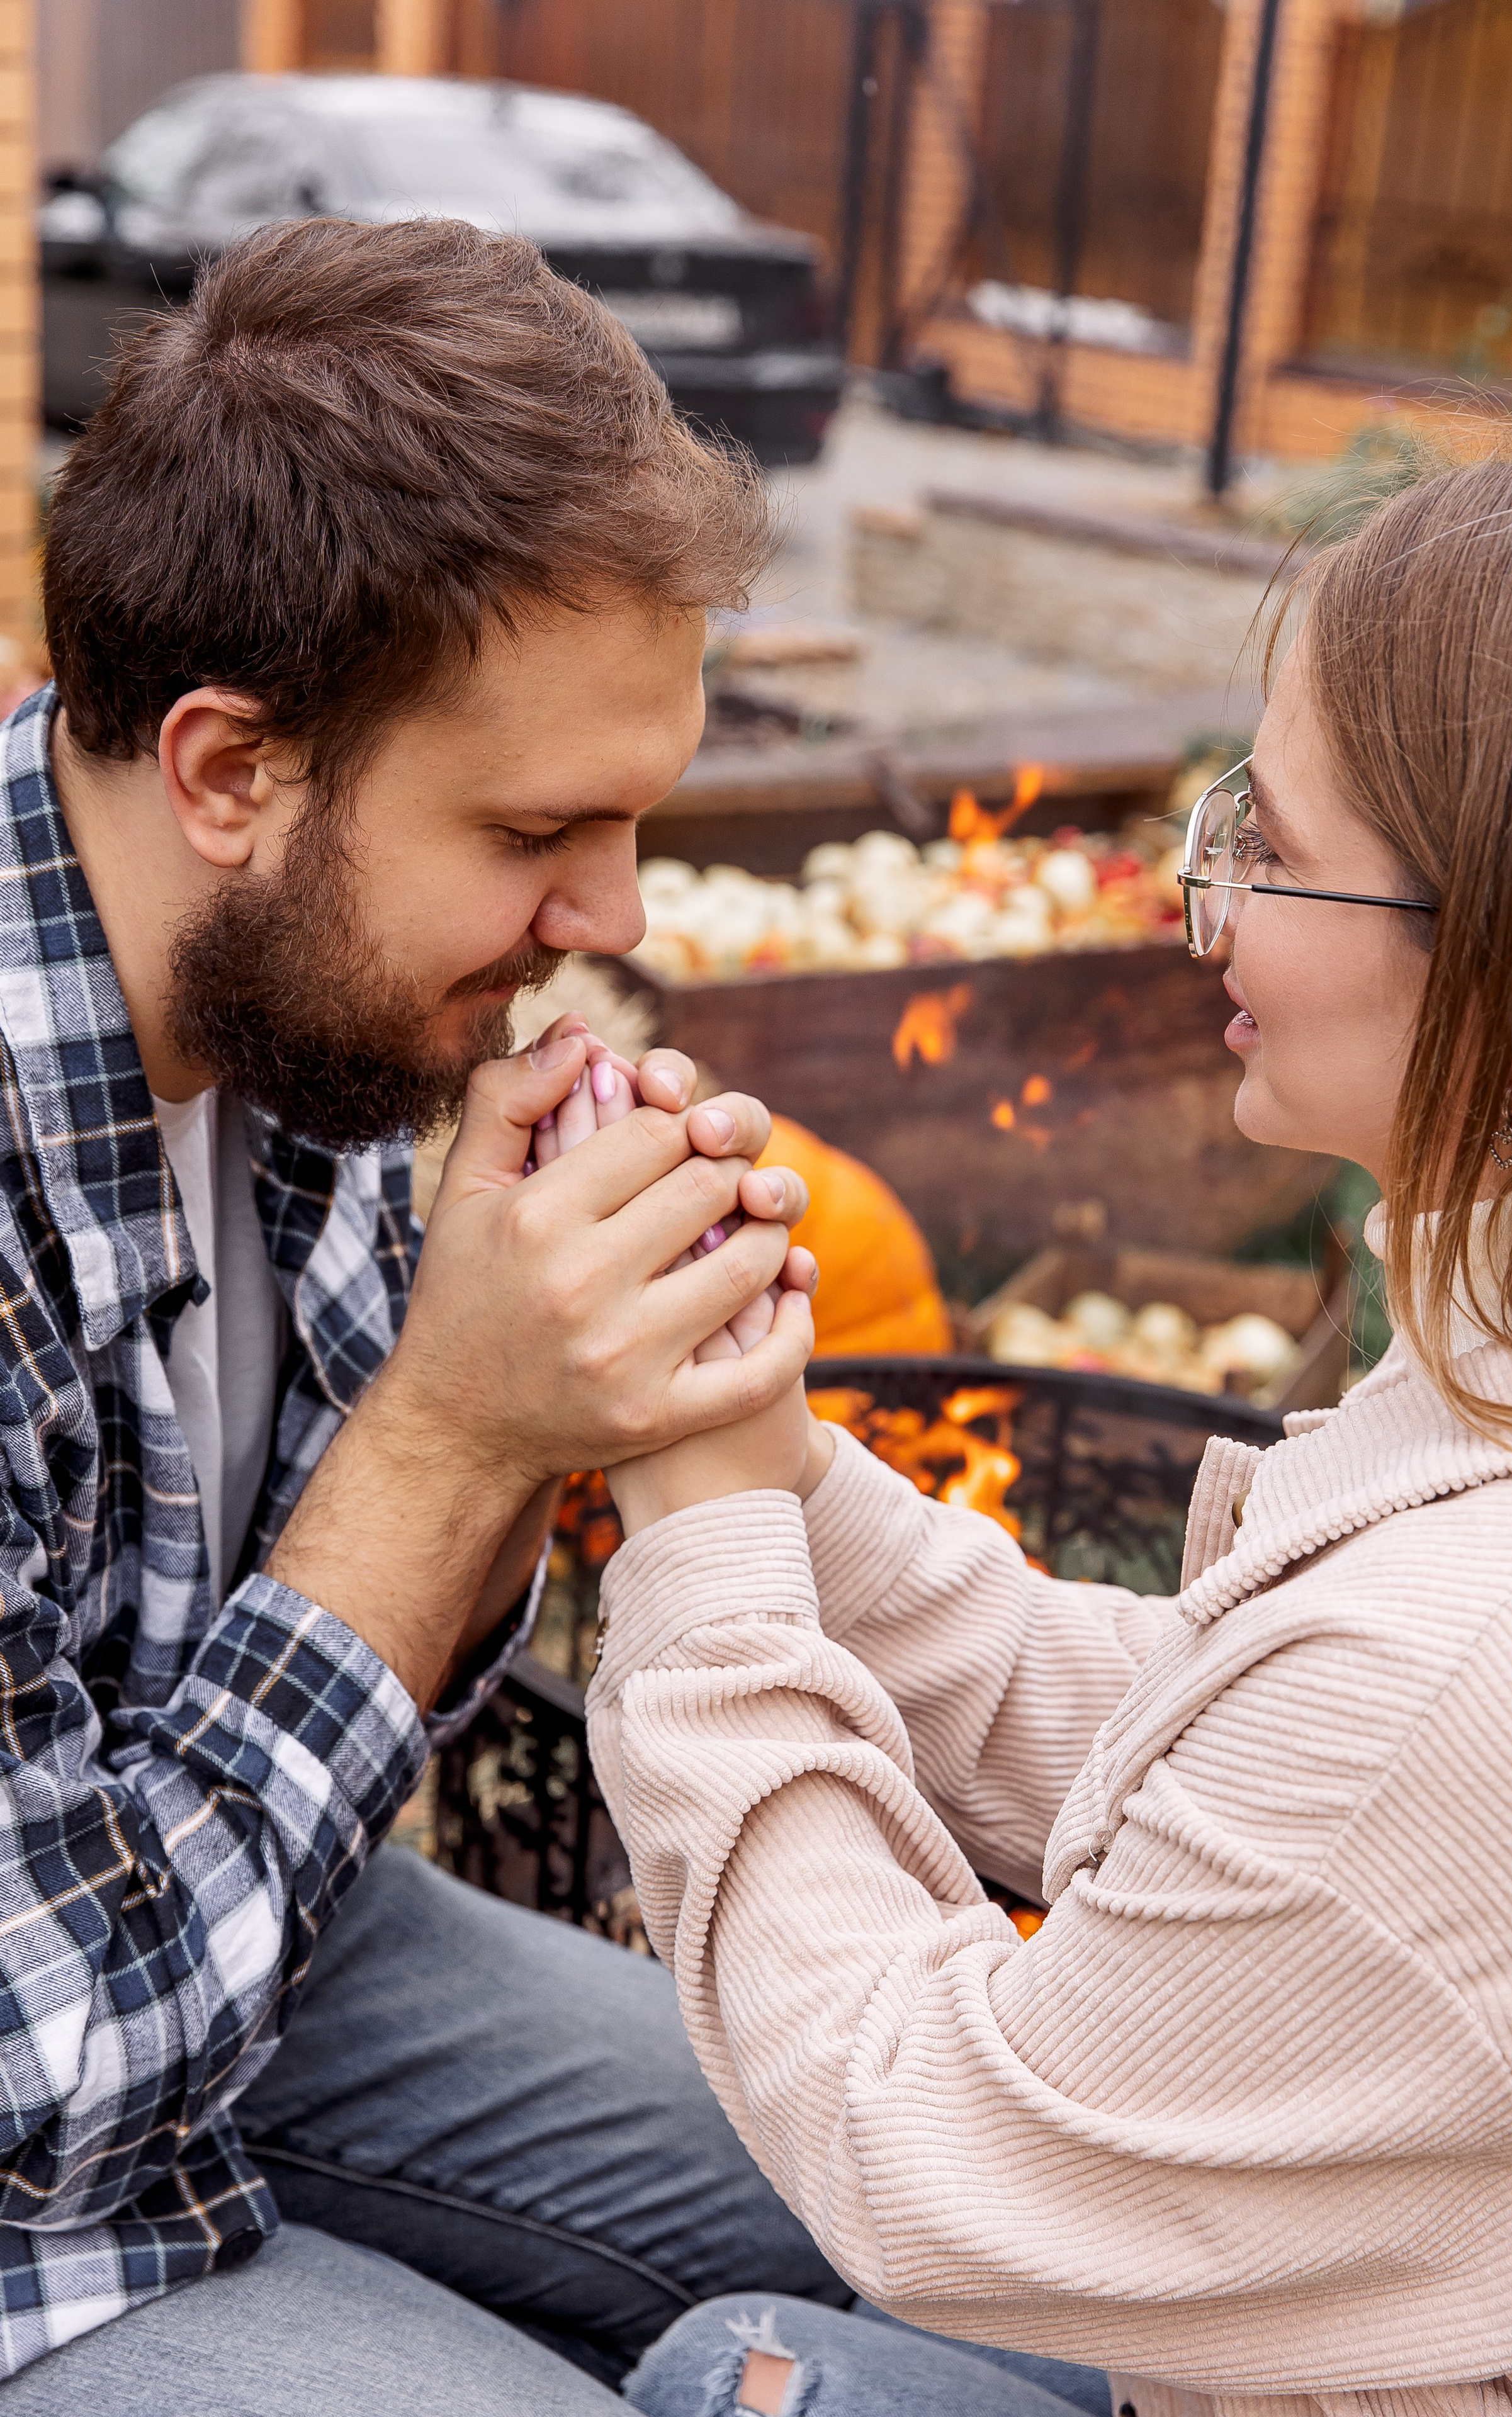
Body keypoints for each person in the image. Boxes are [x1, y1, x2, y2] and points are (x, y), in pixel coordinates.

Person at [586, 455, 1512, 2417]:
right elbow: (1227, 1742)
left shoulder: (1497, 1636)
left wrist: (703, 1559)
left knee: (745, 2377)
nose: (1196, 890)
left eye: (1269, 844)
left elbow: (931, 2156)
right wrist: (792, 1481)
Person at [0, 216, 843, 2413]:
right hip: (27, 2148)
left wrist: (586, 1383)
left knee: (948, 2202)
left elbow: (383, 1701)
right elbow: (41, 2072)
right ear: (227, 771)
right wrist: (459, 1433)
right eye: (540, 827)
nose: (615, 919)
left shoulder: (312, 1005)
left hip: (246, 1953)